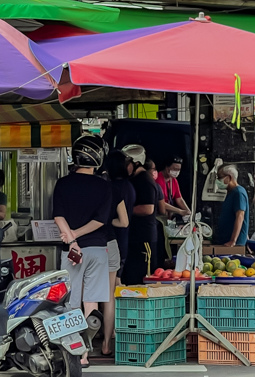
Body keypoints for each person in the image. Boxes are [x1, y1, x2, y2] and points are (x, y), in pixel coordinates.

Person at [52, 135, 112, 367]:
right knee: (91, 303)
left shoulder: (63, 183)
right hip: (97, 249)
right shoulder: (105, 186)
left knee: (70, 301)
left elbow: (59, 216)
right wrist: (78, 234)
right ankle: (86, 353)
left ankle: (74, 352)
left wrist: (71, 238)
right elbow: (100, 221)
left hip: (71, 252)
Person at [102, 150, 134, 357]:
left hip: (101, 242)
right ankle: (111, 335)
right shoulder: (125, 188)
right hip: (117, 241)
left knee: (94, 294)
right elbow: (125, 220)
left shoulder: (106, 187)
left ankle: (103, 337)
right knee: (112, 291)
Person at [122, 145, 161, 285]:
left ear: (136, 163)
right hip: (133, 236)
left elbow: (148, 209)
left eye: (126, 163)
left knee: (144, 278)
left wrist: (123, 211)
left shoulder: (145, 180)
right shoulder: (134, 179)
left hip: (144, 238)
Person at [216, 165, 249, 248]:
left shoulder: (238, 193)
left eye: (220, 177)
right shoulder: (231, 192)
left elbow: (240, 216)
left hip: (234, 244)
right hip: (225, 241)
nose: (217, 180)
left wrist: (233, 240)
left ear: (229, 178)